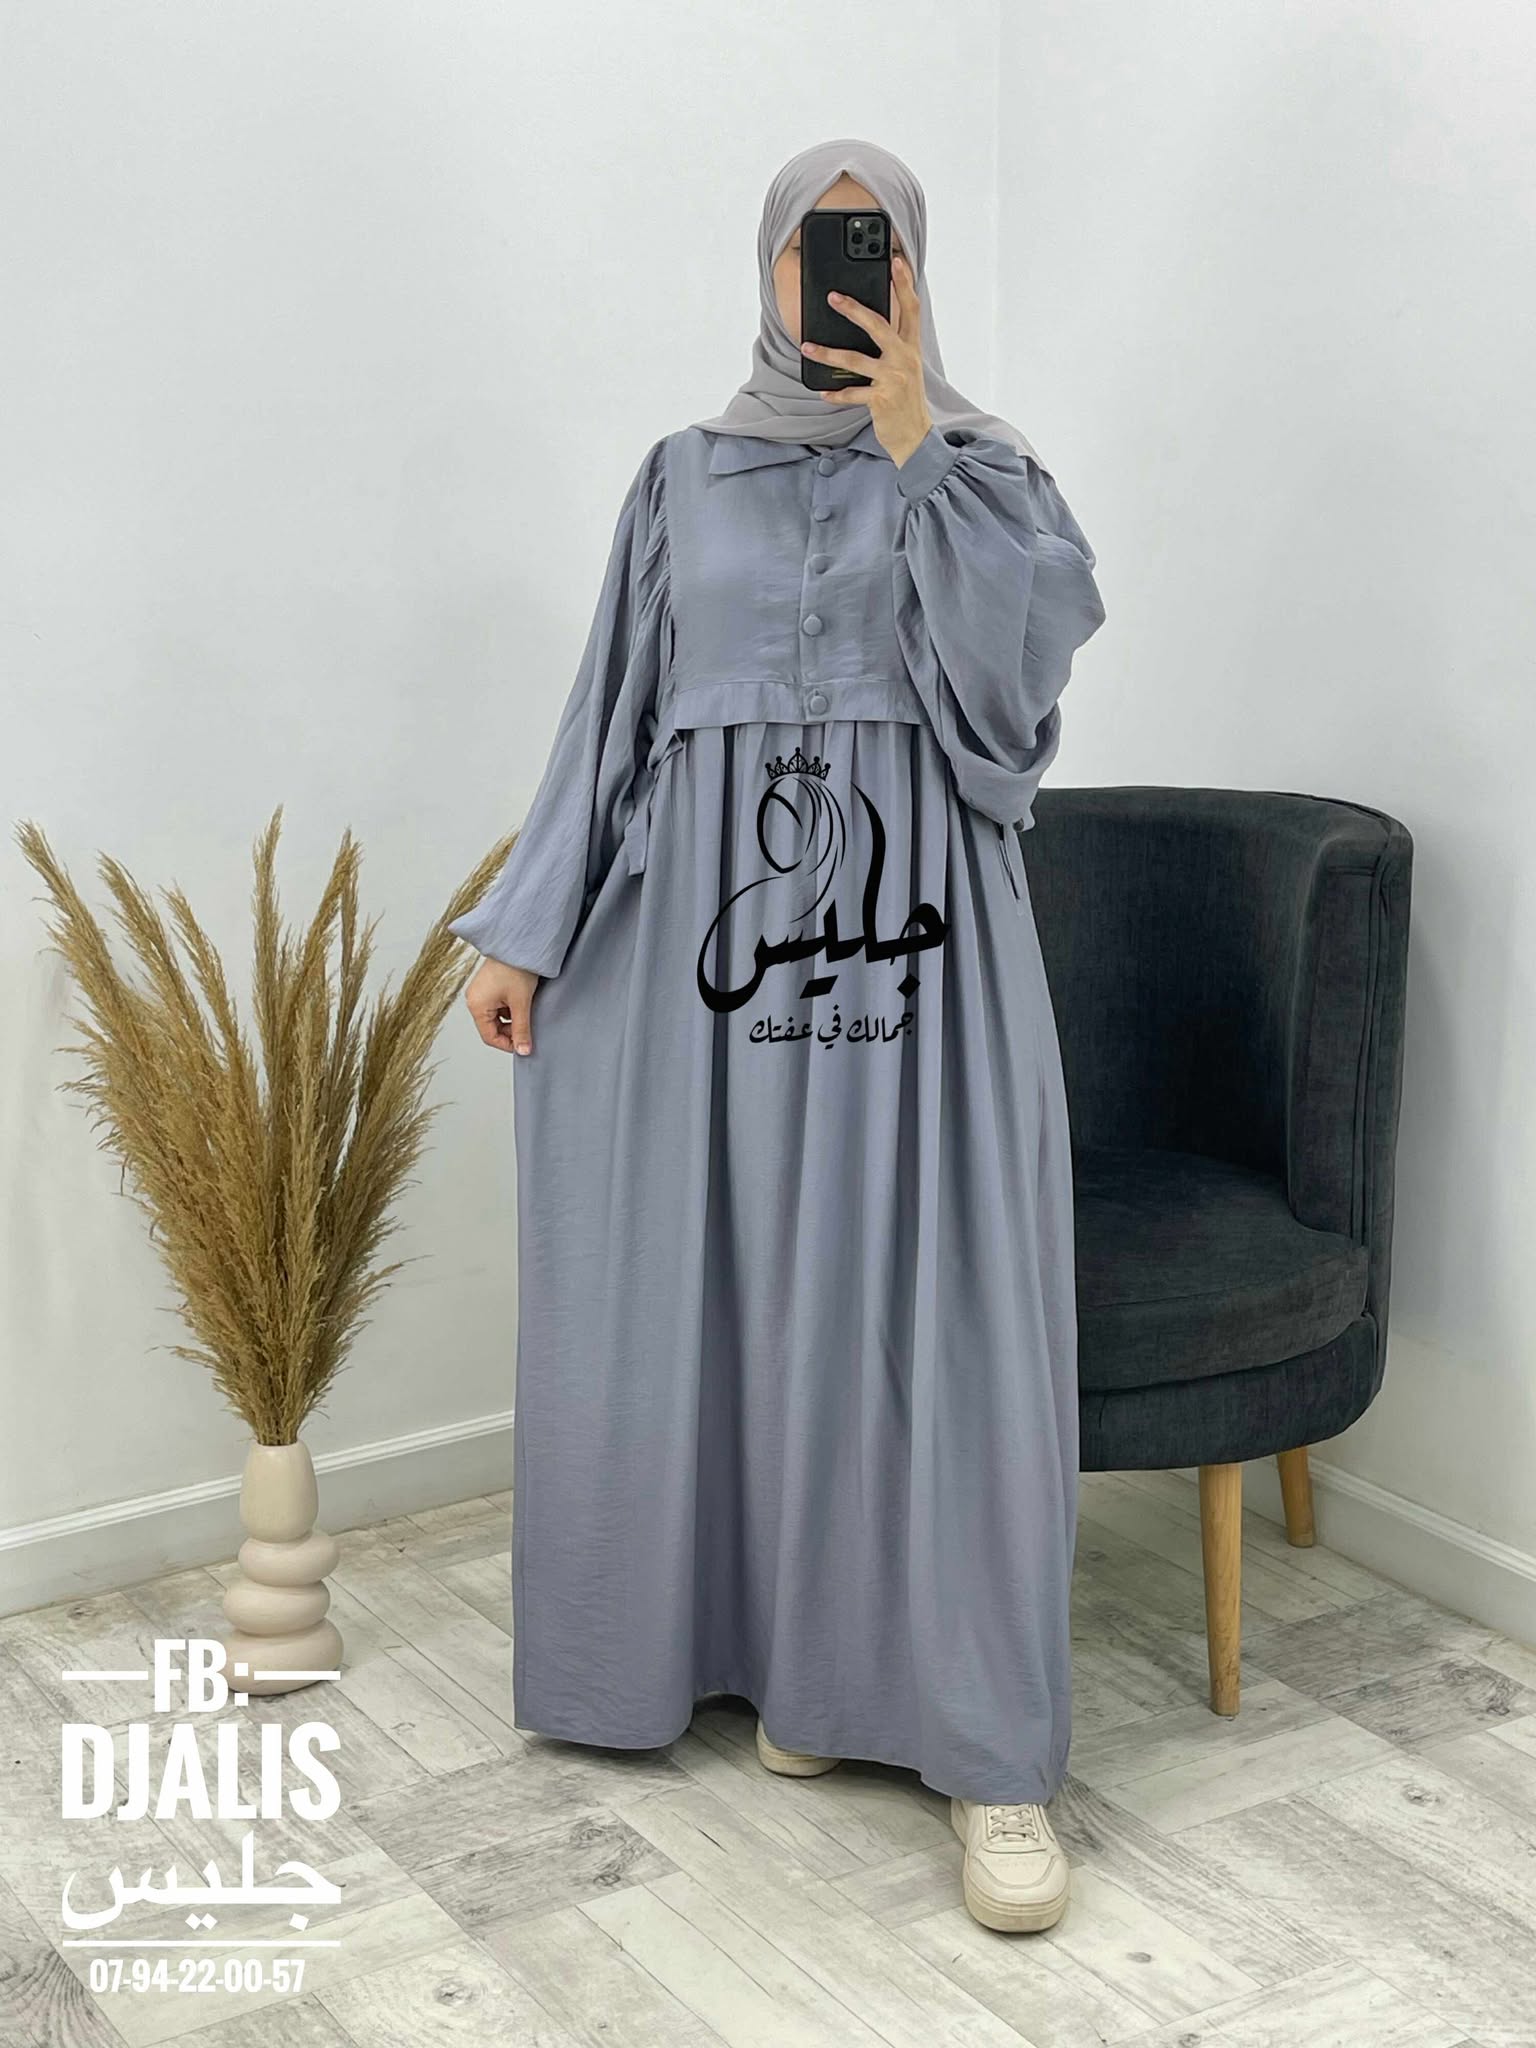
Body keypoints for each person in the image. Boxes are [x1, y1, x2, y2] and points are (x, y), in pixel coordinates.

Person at [449, 137, 1106, 1936]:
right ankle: (808, 1674)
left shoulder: (988, 469)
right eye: (817, 250)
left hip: (922, 952)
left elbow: (1016, 704)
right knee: (733, 1298)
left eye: (871, 248)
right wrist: (528, 930)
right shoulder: (681, 476)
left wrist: (915, 444)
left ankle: (992, 1759)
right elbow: (613, 712)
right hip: (703, 957)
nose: (842, 278)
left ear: (913, 272)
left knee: (940, 1316)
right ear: (768, 271)